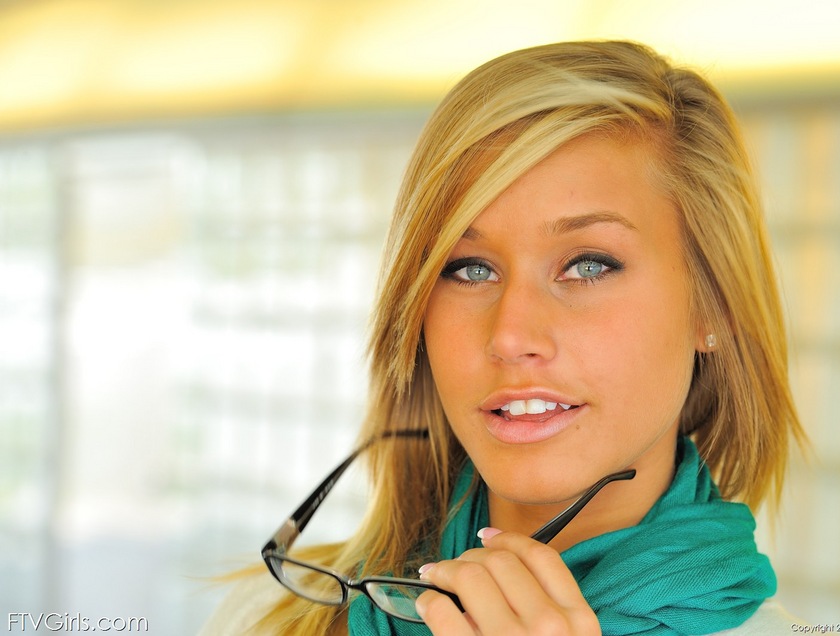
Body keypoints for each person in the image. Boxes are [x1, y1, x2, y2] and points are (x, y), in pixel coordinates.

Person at [201, 40, 806, 635]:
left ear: (715, 305)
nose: (511, 336)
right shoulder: (268, 619)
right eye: (470, 269)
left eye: (588, 265)